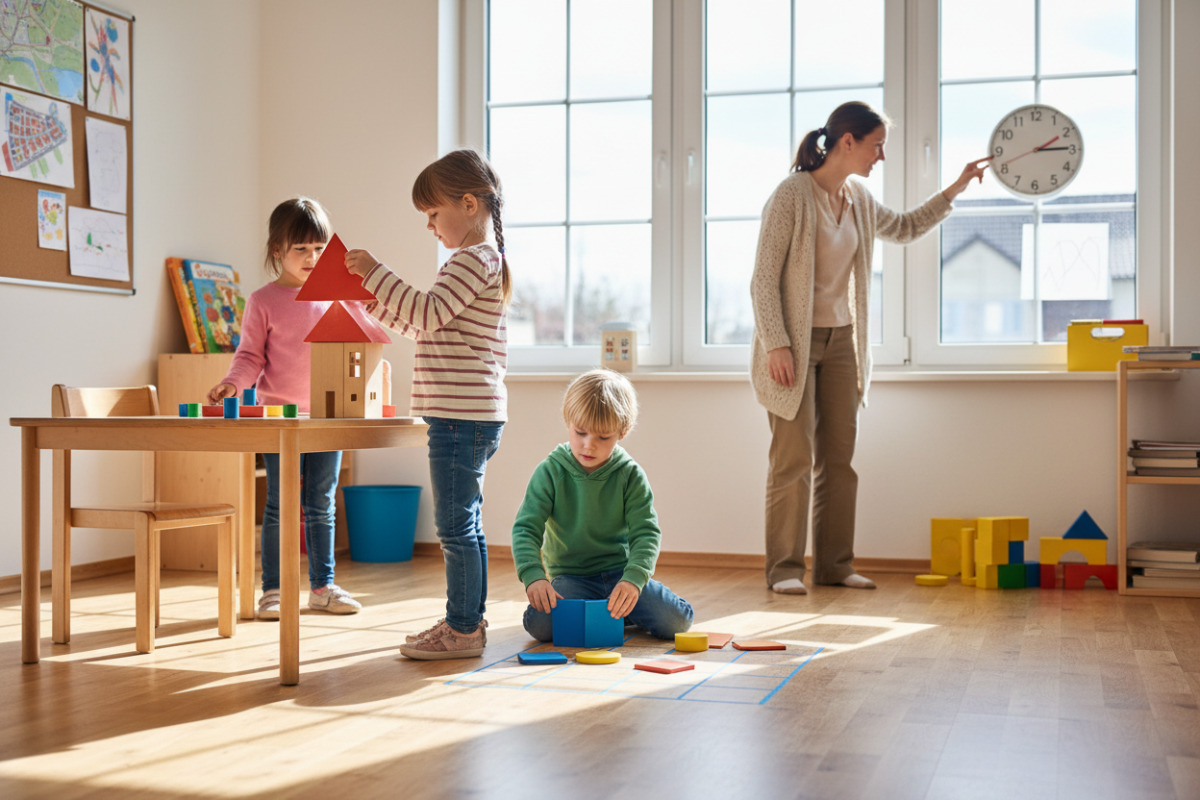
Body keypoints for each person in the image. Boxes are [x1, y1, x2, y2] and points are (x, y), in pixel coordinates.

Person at [750, 101, 991, 596]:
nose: (880, 156)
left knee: (839, 460)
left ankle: (835, 565)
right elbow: (762, 281)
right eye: (877, 145)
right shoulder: (791, 195)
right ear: (847, 142)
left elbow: (903, 227)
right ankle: (785, 570)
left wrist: (956, 188)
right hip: (792, 346)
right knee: (792, 461)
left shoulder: (857, 197)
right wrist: (776, 343)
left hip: (843, 342)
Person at [345, 149, 510, 660]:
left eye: (433, 215)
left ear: (467, 204)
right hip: (466, 415)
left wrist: (376, 272)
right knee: (466, 523)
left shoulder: (473, 259)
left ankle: (462, 630)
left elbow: (428, 310)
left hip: (462, 417)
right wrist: (374, 303)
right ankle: (466, 622)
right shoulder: (477, 262)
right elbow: (423, 327)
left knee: (455, 525)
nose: (431, 227)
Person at [208, 197, 364, 619]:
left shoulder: (336, 298)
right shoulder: (263, 301)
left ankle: (323, 586)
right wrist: (231, 384)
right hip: (281, 418)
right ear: (278, 249)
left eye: (319, 248)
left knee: (321, 501)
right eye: (302, 249)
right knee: (280, 503)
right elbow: (249, 358)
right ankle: (273, 590)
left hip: (328, 417)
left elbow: (363, 336)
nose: (312, 257)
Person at [511, 369, 694, 643]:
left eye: (603, 437)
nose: (588, 445)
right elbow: (526, 529)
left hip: (621, 574)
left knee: (676, 622)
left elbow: (646, 533)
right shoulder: (550, 471)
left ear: (623, 431)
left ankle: (615, 609)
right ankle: (614, 614)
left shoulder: (629, 474)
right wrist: (534, 577)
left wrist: (634, 579)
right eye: (580, 432)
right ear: (568, 422)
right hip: (571, 579)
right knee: (541, 627)